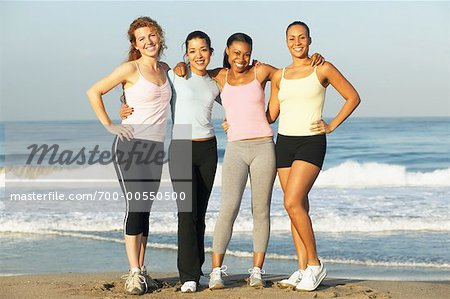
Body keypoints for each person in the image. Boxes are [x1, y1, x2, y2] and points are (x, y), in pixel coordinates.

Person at [203, 33, 324, 290]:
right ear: (227, 51)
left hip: (264, 148)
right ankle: (216, 271)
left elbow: (287, 73)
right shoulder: (220, 76)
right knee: (229, 208)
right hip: (235, 148)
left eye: (246, 53)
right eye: (236, 53)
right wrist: (180, 66)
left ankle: (256, 271)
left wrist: (313, 59)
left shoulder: (260, 72)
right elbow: (196, 71)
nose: (241, 58)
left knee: (261, 210)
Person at [121, 31, 221, 293]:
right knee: (186, 212)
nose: (198, 55)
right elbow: (145, 88)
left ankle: (197, 268)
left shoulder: (216, 81)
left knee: (200, 215)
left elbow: (240, 97)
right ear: (186, 54)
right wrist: (124, 104)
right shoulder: (175, 74)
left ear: (211, 51)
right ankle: (187, 275)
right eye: (192, 50)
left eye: (203, 50)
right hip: (182, 144)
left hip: (209, 147)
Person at [266, 21, 360, 291]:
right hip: (284, 142)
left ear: (309, 39)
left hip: (311, 142)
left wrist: (331, 125)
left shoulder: (323, 67)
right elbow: (271, 115)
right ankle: (303, 267)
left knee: (291, 202)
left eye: (302, 37)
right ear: (286, 42)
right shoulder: (279, 76)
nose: (297, 42)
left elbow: (352, 97)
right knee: (297, 208)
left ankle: (316, 265)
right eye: (292, 38)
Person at [87, 16, 171, 295]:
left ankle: (142, 269)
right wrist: (110, 124)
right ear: (135, 44)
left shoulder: (167, 69)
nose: (148, 42)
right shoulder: (130, 69)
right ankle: (133, 273)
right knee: (135, 207)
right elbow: (94, 91)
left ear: (159, 36)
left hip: (156, 148)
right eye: (141, 38)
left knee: (145, 210)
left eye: (152, 35)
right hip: (130, 146)